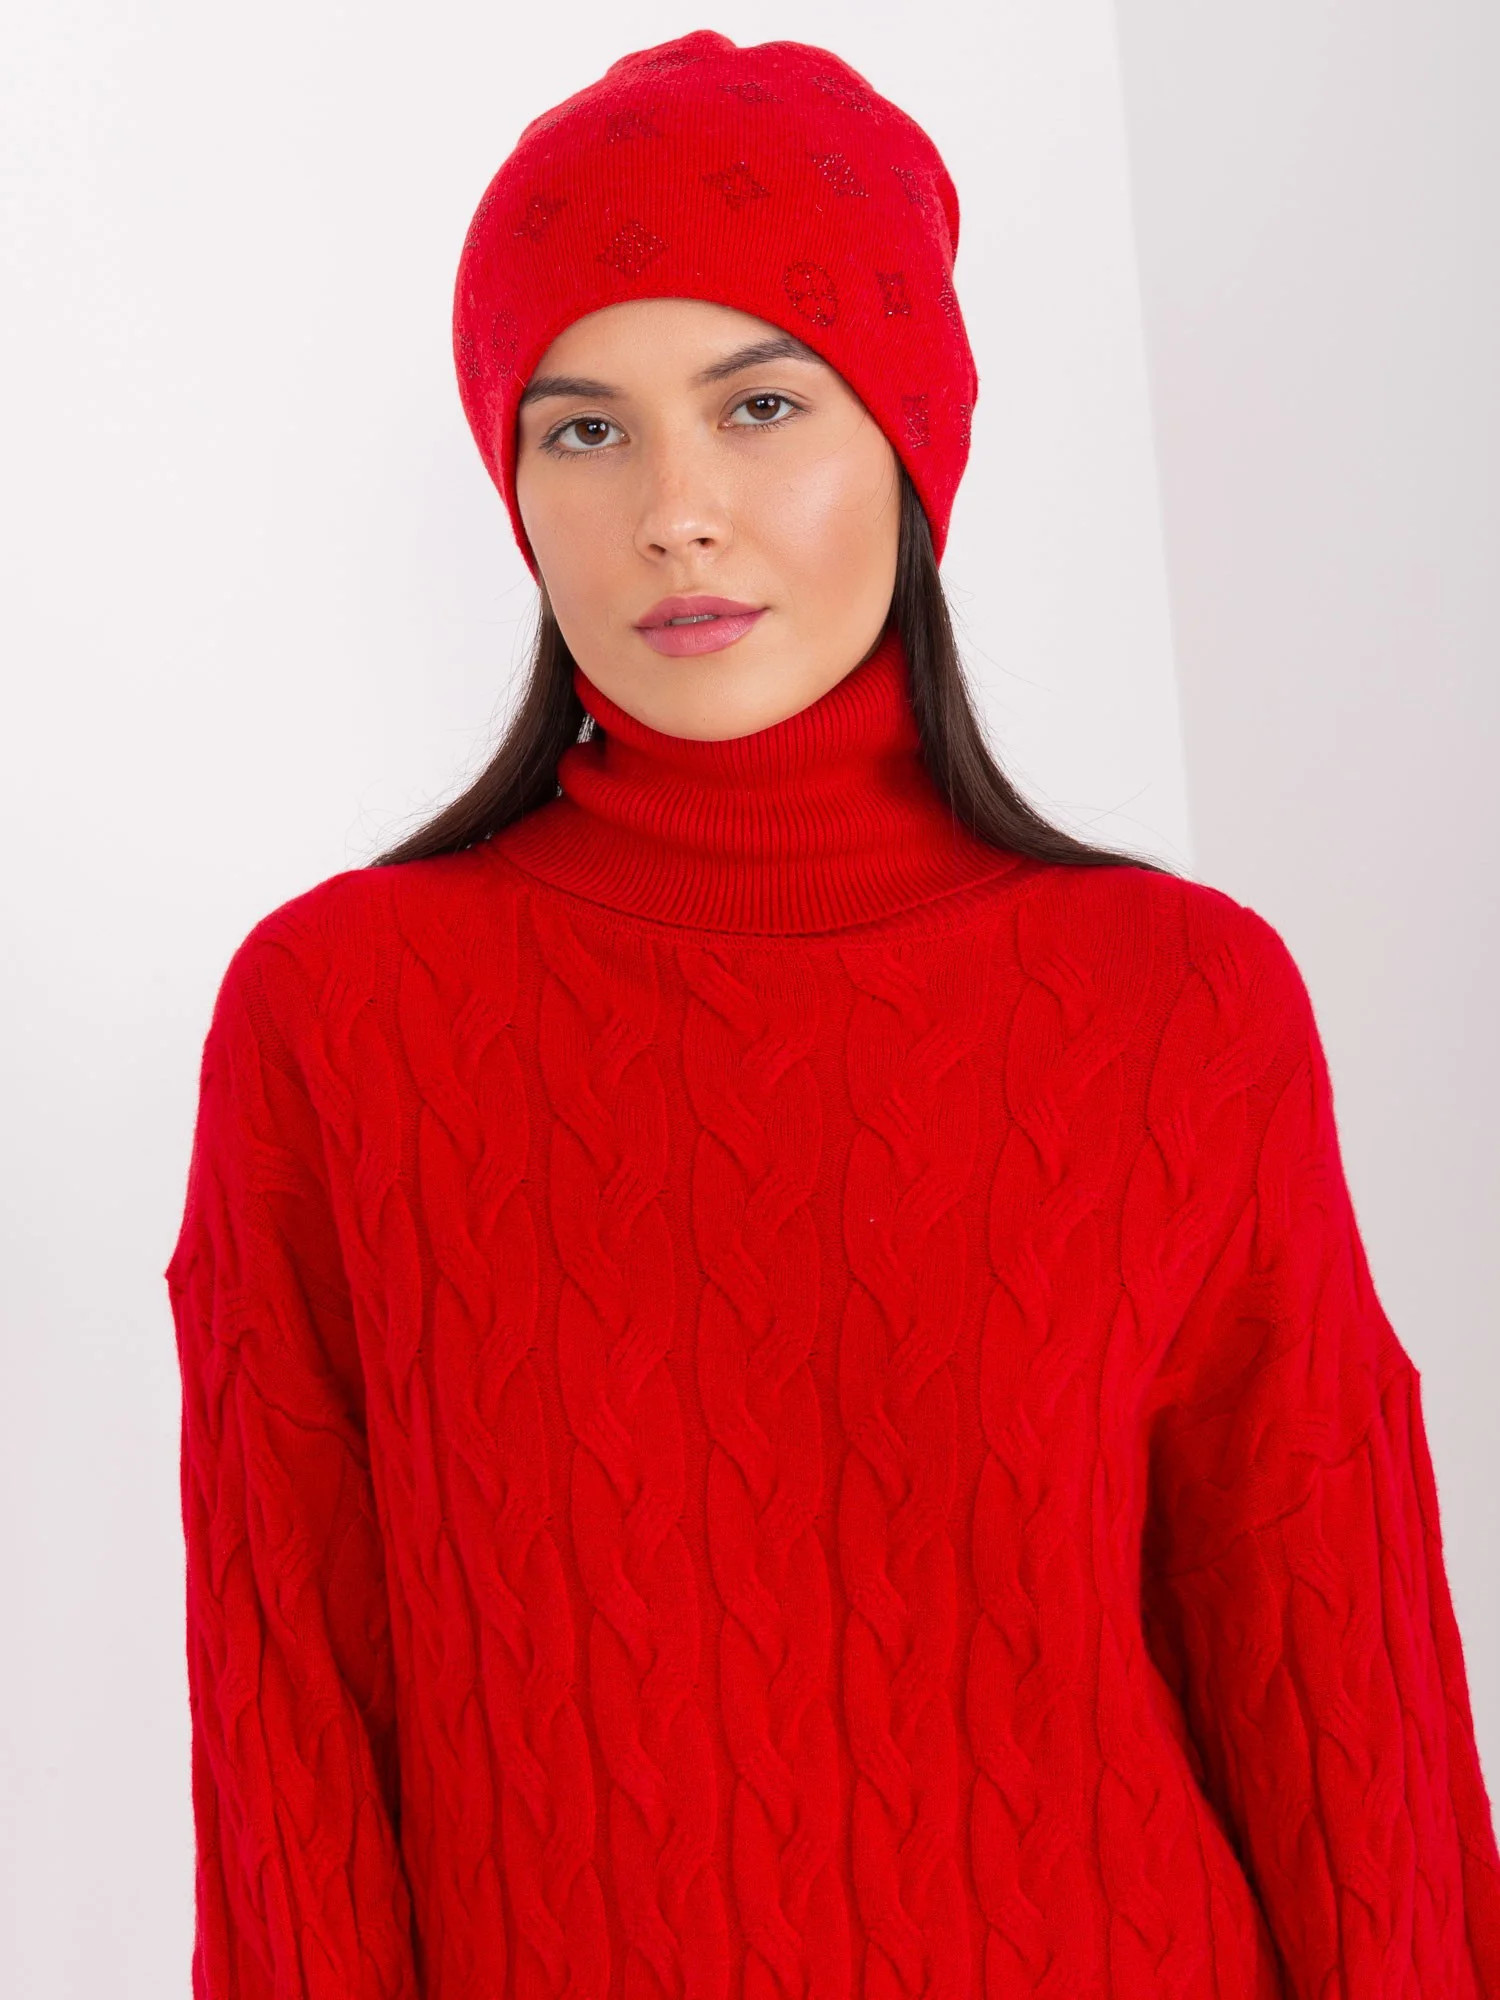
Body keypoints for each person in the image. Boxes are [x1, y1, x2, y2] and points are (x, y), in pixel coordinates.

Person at [164, 28, 1500, 2000]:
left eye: (762, 404)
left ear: (908, 443)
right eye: (585, 431)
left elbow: (1338, 1695)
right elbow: (288, 1728)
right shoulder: (338, 1018)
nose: (675, 512)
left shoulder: (1181, 1001)